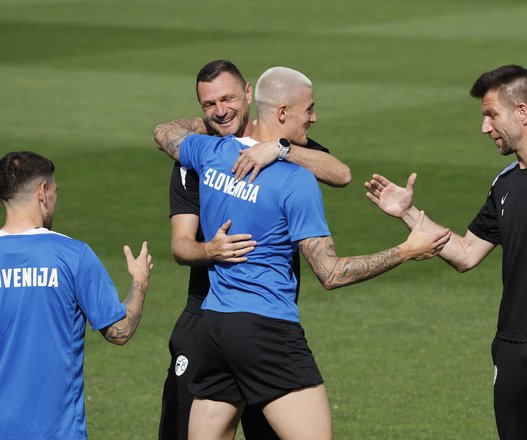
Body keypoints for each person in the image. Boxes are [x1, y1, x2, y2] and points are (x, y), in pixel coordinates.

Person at [154, 66, 450, 440]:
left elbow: (164, 134)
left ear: (249, 98)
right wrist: (407, 250)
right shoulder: (296, 181)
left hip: (213, 328)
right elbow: (331, 273)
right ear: (281, 112)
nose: (313, 117)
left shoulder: (211, 154)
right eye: (307, 109)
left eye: (227, 100)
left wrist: (216, 126)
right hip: (266, 329)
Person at [365, 64, 527, 439]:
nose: (484, 127)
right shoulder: (504, 183)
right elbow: (466, 252)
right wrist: (408, 213)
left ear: (522, 112)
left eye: (491, 115)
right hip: (510, 352)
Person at [158, 59, 351, 440]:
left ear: (249, 93)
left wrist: (276, 148)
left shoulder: (291, 150)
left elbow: (340, 173)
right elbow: (181, 246)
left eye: (227, 99)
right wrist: (210, 250)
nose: (220, 111)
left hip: (247, 317)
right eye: (208, 105)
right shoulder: (201, 158)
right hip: (208, 311)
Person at [0, 151, 154, 440]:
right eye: (55, 191)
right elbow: (119, 331)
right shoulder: (72, 255)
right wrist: (140, 283)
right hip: (57, 432)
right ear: (42, 192)